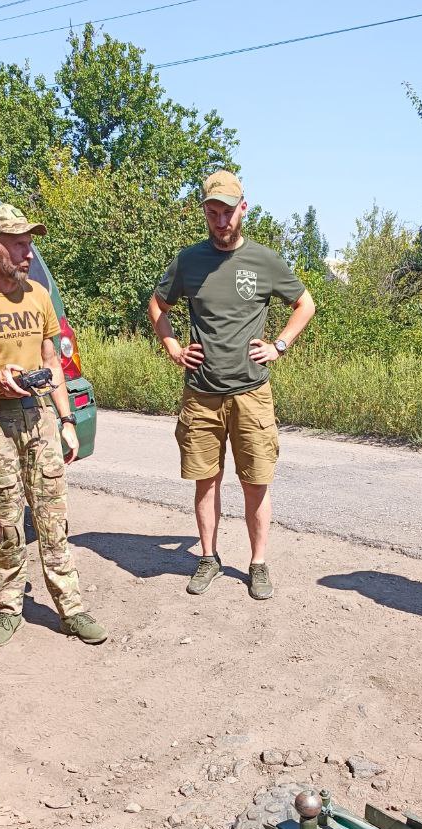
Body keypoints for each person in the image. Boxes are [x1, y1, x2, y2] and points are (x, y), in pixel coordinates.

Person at [0, 205, 106, 648]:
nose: (27, 253)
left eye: (29, 244)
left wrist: (66, 420)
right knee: (7, 517)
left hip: (39, 415)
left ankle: (71, 608)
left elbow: (52, 362)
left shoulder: (38, 296)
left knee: (52, 515)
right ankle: (9, 607)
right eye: (18, 244)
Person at [148, 171, 316, 600]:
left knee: (255, 481)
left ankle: (257, 564)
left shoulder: (264, 260)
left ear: (244, 208)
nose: (221, 220)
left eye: (228, 211)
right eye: (213, 212)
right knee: (206, 480)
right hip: (201, 394)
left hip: (251, 392)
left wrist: (279, 345)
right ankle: (208, 557)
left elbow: (305, 303)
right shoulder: (189, 261)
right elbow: (157, 304)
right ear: (204, 211)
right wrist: (171, 346)